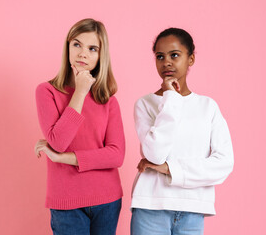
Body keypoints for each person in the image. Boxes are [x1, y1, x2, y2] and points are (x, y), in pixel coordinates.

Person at [130, 28, 234, 235]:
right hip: (150, 207)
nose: (166, 62)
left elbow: (223, 163)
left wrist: (169, 168)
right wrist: (171, 98)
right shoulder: (145, 104)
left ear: (191, 59)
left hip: (193, 210)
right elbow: (154, 154)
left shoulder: (208, 106)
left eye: (174, 55)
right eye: (160, 57)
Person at [34, 18, 125, 235]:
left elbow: (116, 155)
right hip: (66, 202)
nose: (83, 53)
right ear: (67, 47)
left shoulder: (108, 100)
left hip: (108, 200)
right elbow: (58, 141)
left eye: (92, 48)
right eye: (77, 44)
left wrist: (64, 159)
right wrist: (80, 92)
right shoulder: (46, 92)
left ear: (101, 56)